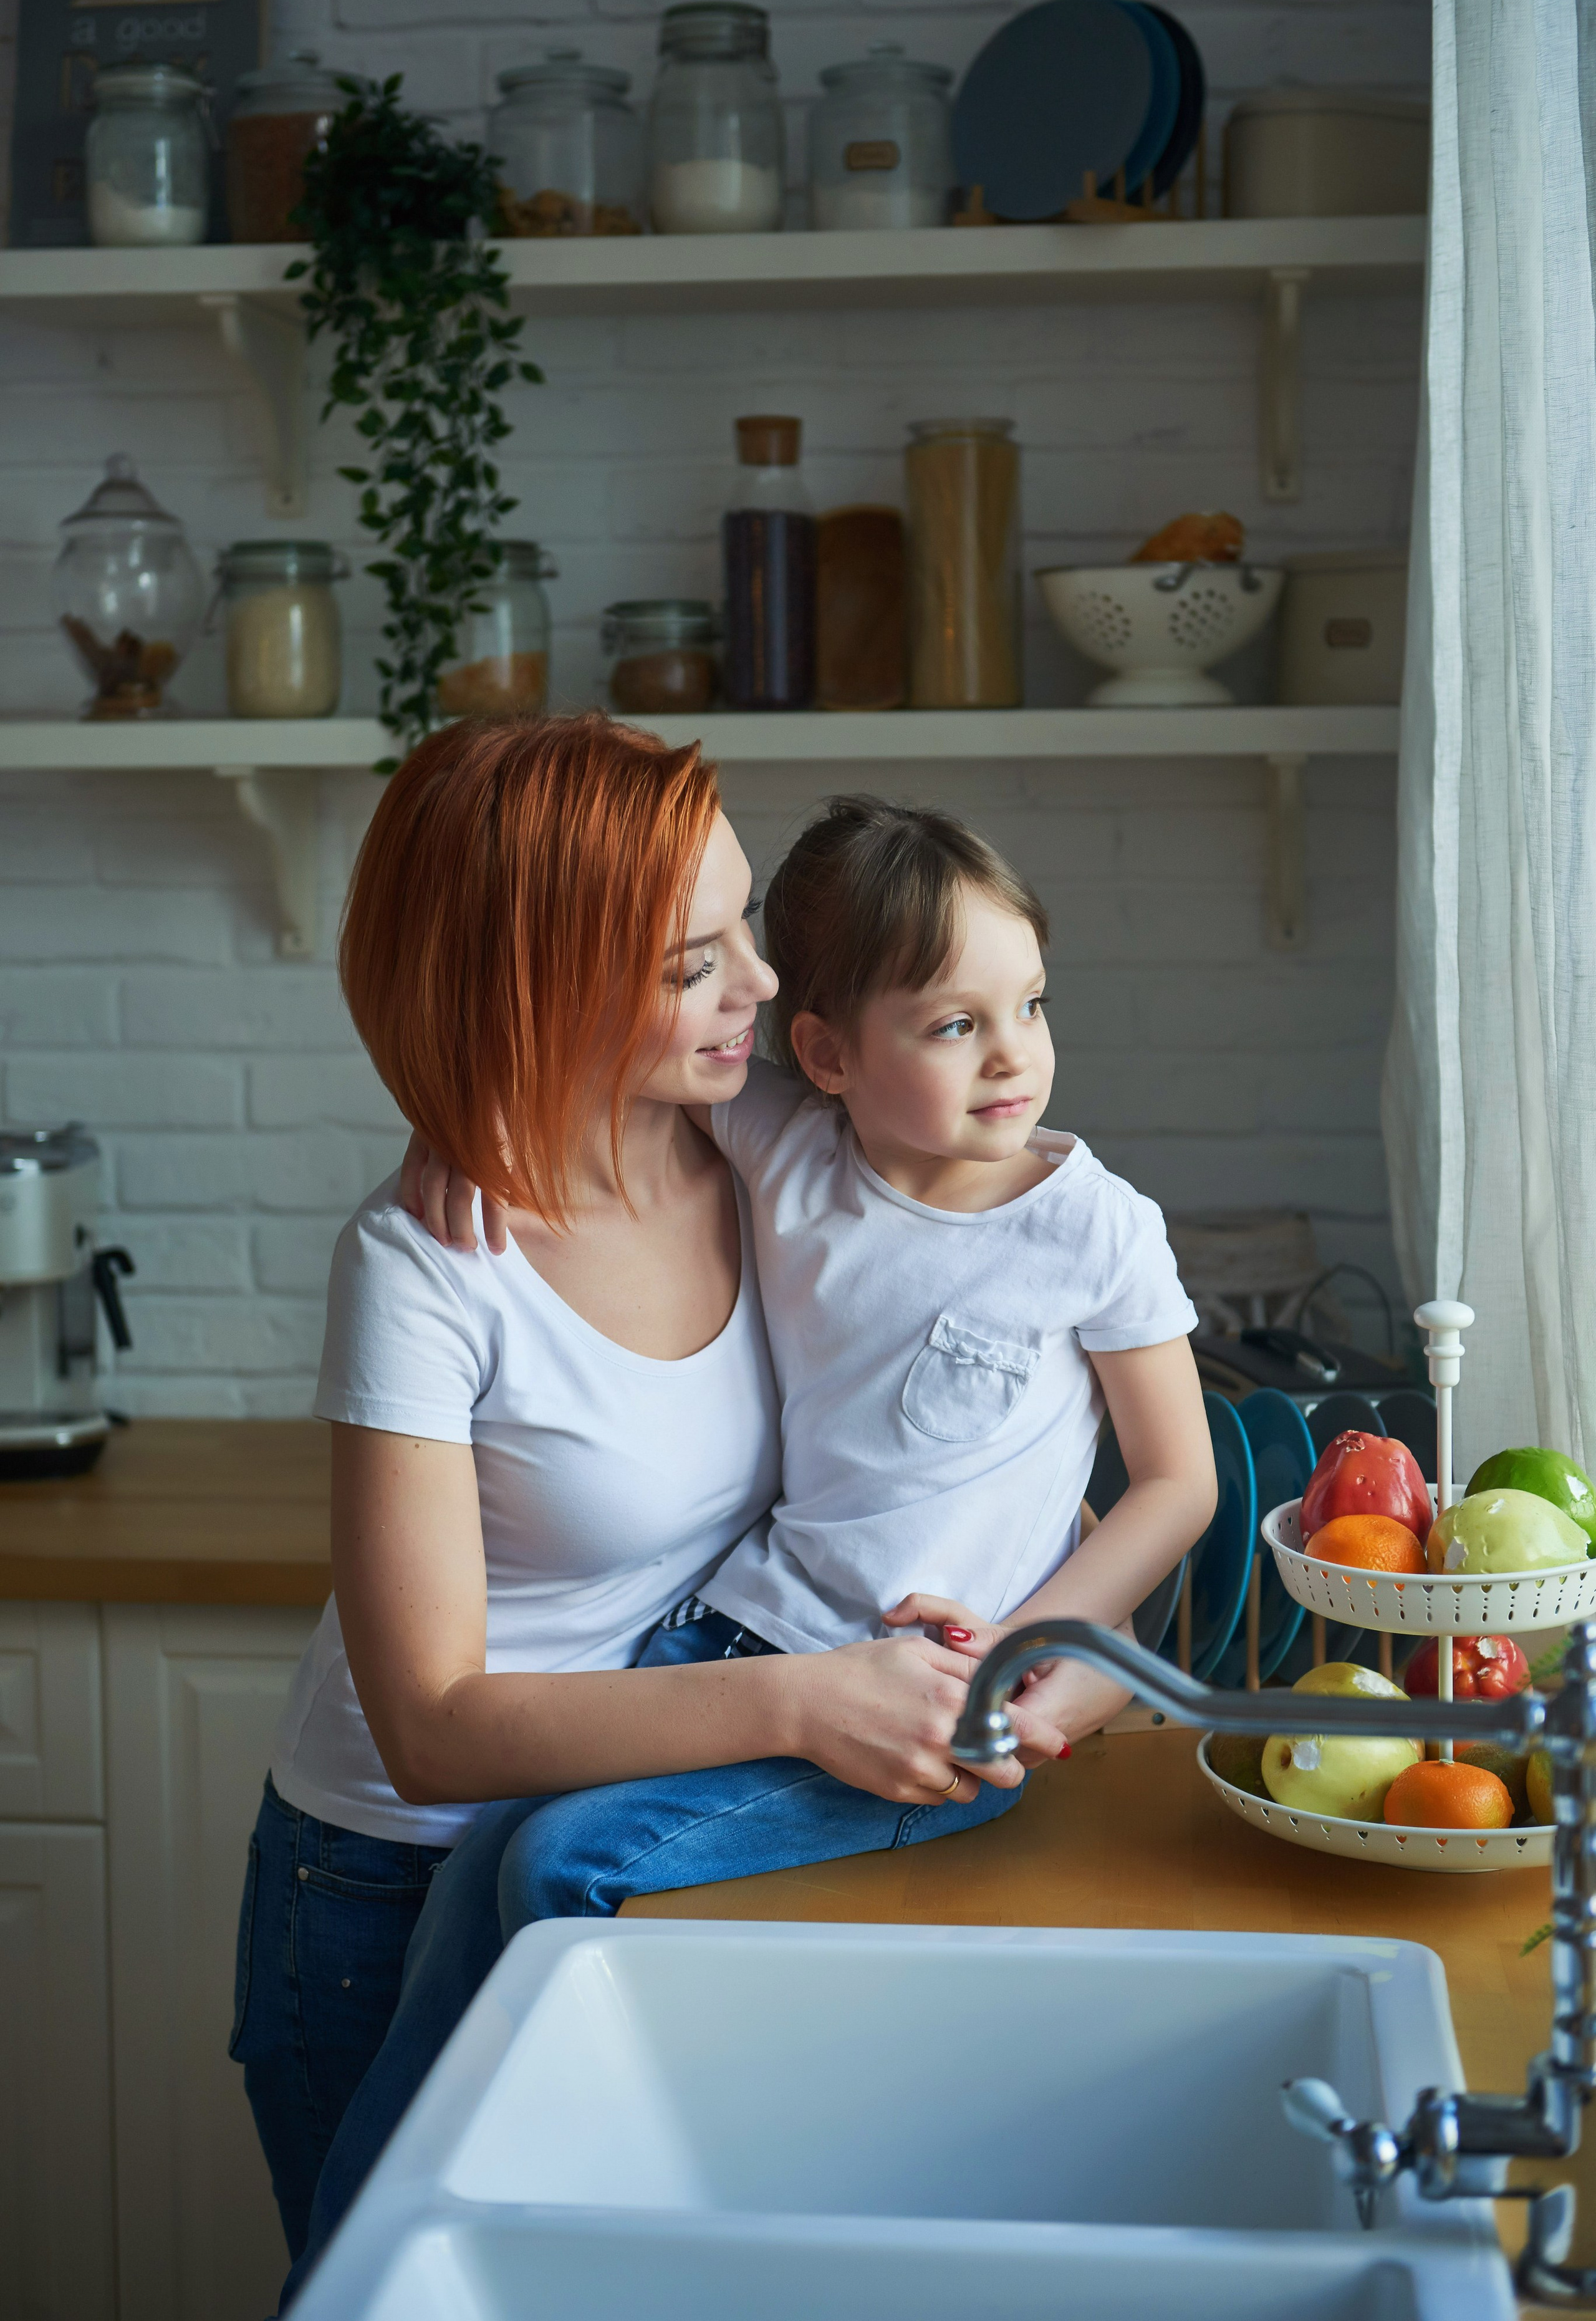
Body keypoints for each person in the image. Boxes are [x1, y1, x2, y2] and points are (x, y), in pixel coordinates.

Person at [235, 723, 1048, 2313]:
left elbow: (991, 1295)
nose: (759, 982)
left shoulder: (748, 1144)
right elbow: (433, 1729)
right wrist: (803, 1699)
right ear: (535, 981)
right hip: (394, 1887)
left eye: (742, 922)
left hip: (631, 1832)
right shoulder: (421, 1265)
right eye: (696, 961)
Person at [344, 791, 1214, 2231]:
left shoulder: (1089, 1224)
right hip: (741, 1647)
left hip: (929, 1698)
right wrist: (463, 1125)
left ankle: (498, 2223)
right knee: (482, 1861)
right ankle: (384, 2238)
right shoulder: (785, 1144)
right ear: (823, 1054)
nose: (1015, 1056)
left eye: (1030, 1005)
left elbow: (1174, 1481)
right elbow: (570, 1056)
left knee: (564, 1861)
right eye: (950, 1025)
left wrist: (1019, 1646)